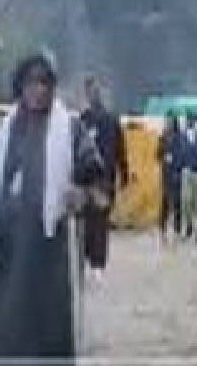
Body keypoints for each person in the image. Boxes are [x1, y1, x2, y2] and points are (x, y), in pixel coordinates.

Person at [0, 54, 105, 363]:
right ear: (20, 86)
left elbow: (99, 186)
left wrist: (81, 195)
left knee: (49, 338)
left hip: (50, 256)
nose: (38, 90)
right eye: (32, 83)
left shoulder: (70, 129)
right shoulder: (1, 130)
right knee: (5, 337)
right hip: (6, 256)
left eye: (45, 83)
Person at [79, 77, 127, 274]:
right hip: (88, 180)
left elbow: (120, 149)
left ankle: (97, 263)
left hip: (104, 179)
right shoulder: (83, 120)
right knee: (90, 222)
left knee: (98, 222)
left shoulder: (110, 119)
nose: (93, 95)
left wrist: (123, 172)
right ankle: (92, 260)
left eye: (95, 91)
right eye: (91, 91)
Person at [157, 114, 186, 240]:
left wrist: (175, 163)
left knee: (177, 202)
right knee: (165, 202)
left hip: (176, 173)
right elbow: (157, 153)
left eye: (170, 121)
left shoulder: (179, 137)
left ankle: (177, 229)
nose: (168, 123)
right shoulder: (162, 137)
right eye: (166, 121)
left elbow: (182, 154)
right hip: (166, 173)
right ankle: (162, 228)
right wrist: (163, 157)